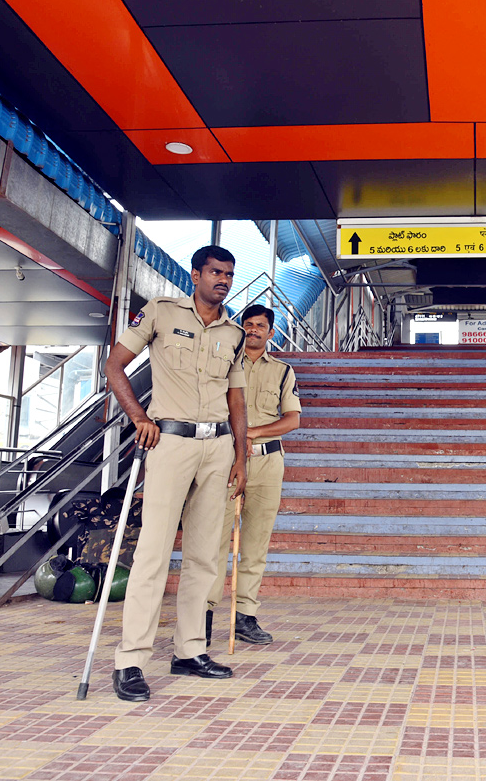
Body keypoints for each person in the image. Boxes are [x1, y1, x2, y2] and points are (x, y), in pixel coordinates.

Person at [104, 245, 248, 703]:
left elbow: (237, 400)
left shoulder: (236, 332)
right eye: (215, 272)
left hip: (218, 447)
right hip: (169, 442)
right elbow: (114, 366)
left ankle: (189, 651)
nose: (222, 280)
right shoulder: (161, 313)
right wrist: (138, 418)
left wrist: (241, 457)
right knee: (153, 553)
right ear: (195, 275)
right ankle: (130, 660)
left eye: (228, 274)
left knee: (205, 557)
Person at [206, 304, 301, 646]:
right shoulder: (223, 364)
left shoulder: (282, 371)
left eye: (261, 325)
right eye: (248, 324)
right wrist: (237, 439)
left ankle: (245, 616)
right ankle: (202, 615)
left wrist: (252, 433)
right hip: (226, 460)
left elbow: (292, 420)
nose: (254, 330)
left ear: (271, 332)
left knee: (255, 544)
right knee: (214, 541)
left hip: (266, 463)